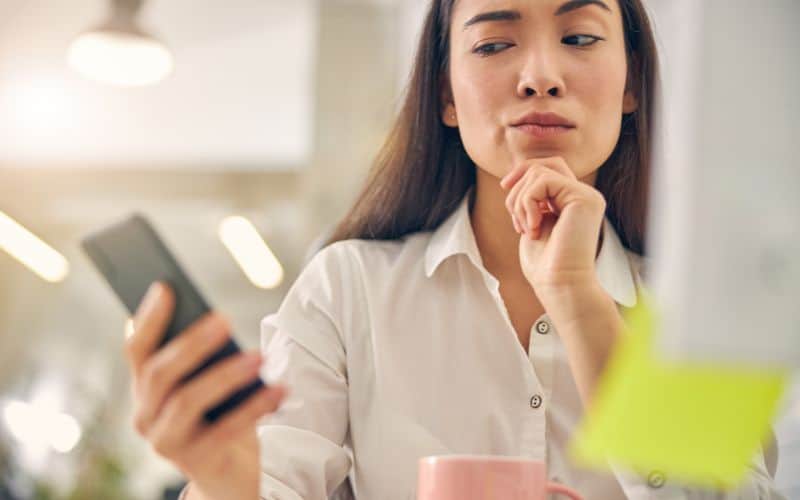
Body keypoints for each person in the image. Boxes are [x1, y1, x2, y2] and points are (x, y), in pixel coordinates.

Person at [125, 1, 784, 499]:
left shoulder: (698, 306)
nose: (540, 76)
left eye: (579, 37)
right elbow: (273, 480)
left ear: (632, 82)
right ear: (444, 94)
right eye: (495, 43)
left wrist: (580, 299)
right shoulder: (349, 288)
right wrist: (222, 476)